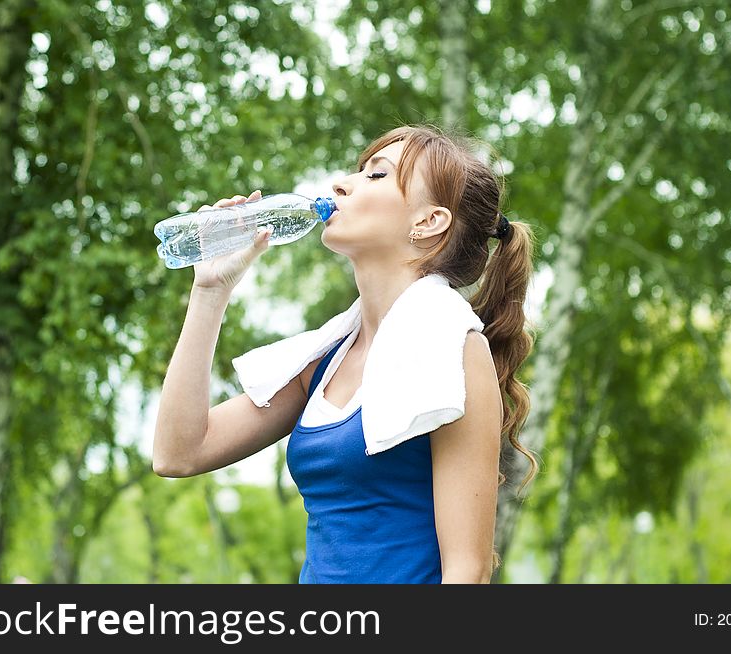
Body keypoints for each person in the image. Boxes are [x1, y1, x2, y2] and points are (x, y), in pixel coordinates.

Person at [153, 123, 538, 583]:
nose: (340, 184)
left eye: (377, 175)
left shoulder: (455, 350)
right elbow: (178, 453)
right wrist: (210, 290)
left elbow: (467, 572)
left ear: (428, 221)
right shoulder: (323, 363)